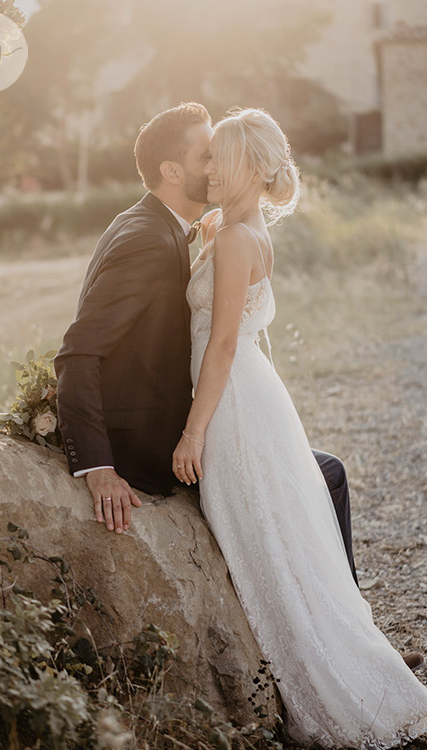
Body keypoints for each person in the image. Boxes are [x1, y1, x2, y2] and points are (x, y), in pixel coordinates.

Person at [173, 106, 427, 745]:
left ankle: (331, 687)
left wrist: (193, 432)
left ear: (253, 170)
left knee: (266, 543)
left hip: (230, 403)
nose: (208, 168)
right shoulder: (237, 229)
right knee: (280, 536)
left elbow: (225, 343)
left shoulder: (235, 239)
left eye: (220, 159)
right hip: (251, 398)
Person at [53, 102, 356, 580]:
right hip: (151, 438)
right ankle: (345, 622)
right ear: (172, 170)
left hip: (194, 406)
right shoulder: (147, 238)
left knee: (323, 471)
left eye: (221, 155)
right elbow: (78, 351)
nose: (215, 165)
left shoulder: (166, 226)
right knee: (326, 476)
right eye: (207, 156)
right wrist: (98, 467)